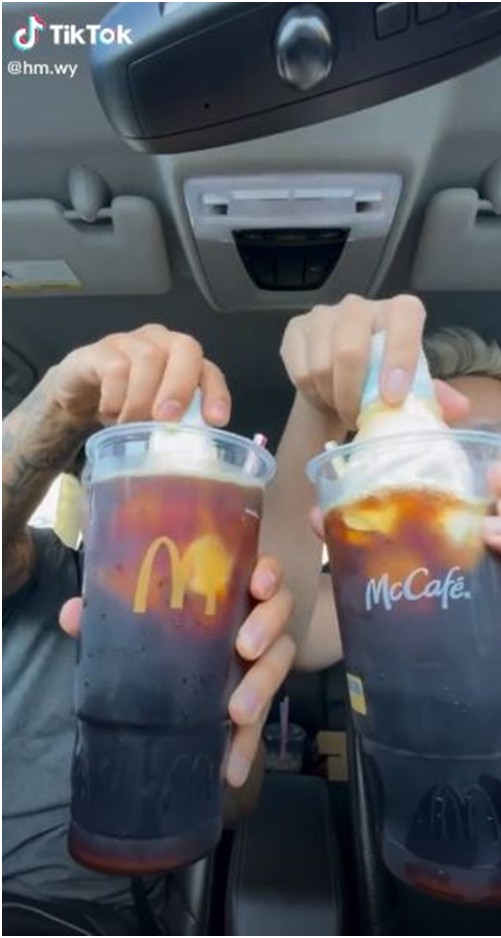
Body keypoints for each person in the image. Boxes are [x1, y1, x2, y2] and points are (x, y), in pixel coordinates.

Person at [3, 324, 296, 932]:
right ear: (93, 495)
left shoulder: (219, 613)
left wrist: (231, 714)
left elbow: (235, 806)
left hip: (86, 913)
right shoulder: (34, 567)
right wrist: (61, 406)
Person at [263, 293, 501, 669]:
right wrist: (320, 406)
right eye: (428, 450)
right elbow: (289, 633)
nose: (452, 469)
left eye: (485, 445)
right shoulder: (393, 580)